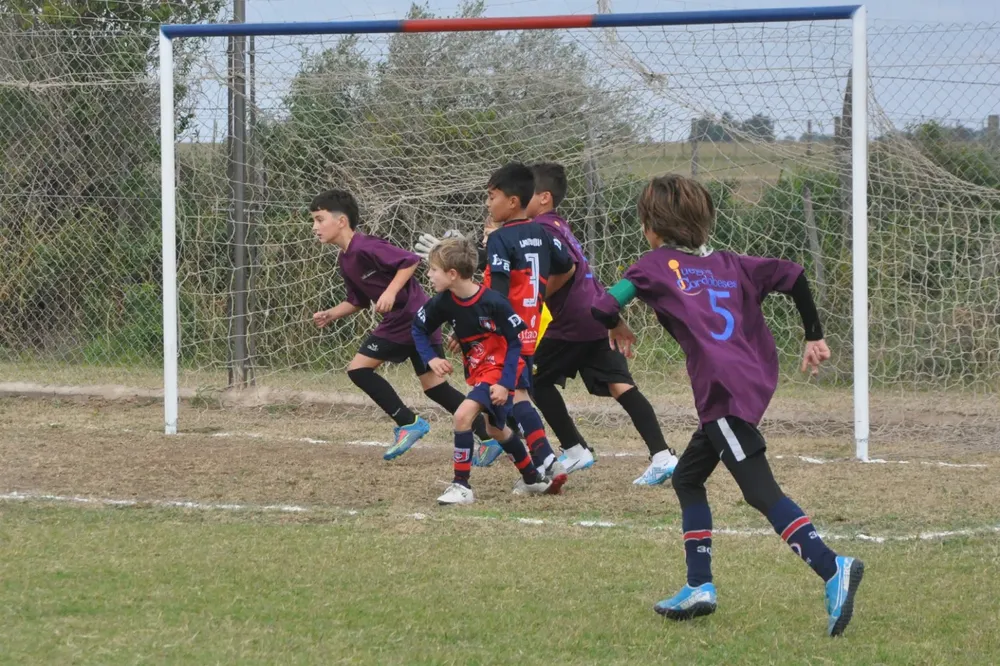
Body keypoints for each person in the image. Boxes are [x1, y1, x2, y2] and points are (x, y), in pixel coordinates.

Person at [591, 174, 863, 636]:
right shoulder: (731, 262)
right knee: (688, 477)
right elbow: (794, 275)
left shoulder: (654, 264)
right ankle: (699, 586)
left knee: (759, 491)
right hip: (749, 379)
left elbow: (600, 306)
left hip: (722, 392)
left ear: (650, 225)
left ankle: (833, 566)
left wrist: (617, 323)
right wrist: (813, 334)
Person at [310, 189, 494, 460]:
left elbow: (408, 261)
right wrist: (332, 313)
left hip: (407, 316)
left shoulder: (366, 246)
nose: (315, 227)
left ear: (341, 221)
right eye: (313, 221)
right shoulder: (346, 258)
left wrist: (391, 291)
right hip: (418, 317)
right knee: (436, 388)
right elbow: (358, 299)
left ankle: (408, 422)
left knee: (358, 370)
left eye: (319, 219)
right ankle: (490, 438)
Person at [526, 162, 679, 484]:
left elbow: (565, 269)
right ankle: (662, 456)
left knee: (534, 379)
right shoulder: (557, 224)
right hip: (595, 312)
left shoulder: (543, 228)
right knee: (619, 385)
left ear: (543, 197)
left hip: (574, 319)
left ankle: (575, 450)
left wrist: (534, 297)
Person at [412, 238, 555, 505]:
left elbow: (516, 342)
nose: (429, 275)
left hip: (500, 369)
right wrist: (430, 358)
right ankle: (533, 479)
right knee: (495, 430)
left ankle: (461, 486)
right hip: (480, 371)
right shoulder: (444, 301)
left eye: (433, 269)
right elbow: (418, 328)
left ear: (452, 274)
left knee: (462, 416)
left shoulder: (494, 302)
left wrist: (504, 383)